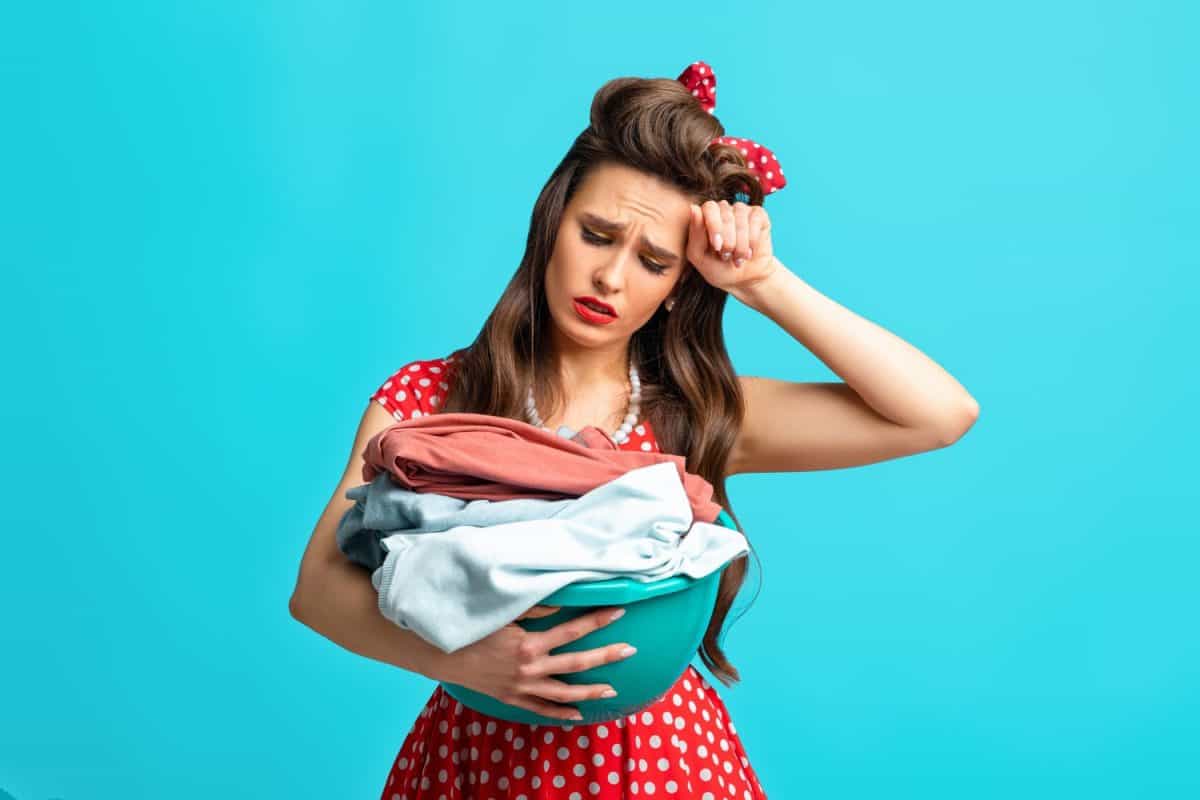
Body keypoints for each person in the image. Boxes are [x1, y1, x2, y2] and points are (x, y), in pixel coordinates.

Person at [288, 60, 979, 800]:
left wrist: (760, 282)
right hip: (475, 758)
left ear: (682, 286)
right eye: (597, 234)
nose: (611, 278)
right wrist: (464, 662)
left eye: (653, 260)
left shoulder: (695, 412)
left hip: (661, 766)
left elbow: (939, 413)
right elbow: (317, 589)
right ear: (552, 224)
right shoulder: (430, 397)